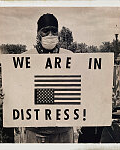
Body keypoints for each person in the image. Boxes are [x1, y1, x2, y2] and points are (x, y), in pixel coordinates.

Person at [24, 13, 76, 143]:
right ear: (38, 33)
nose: (50, 35)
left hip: (63, 132)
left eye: (54, 30)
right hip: (34, 131)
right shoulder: (25, 58)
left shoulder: (70, 56)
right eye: (45, 31)